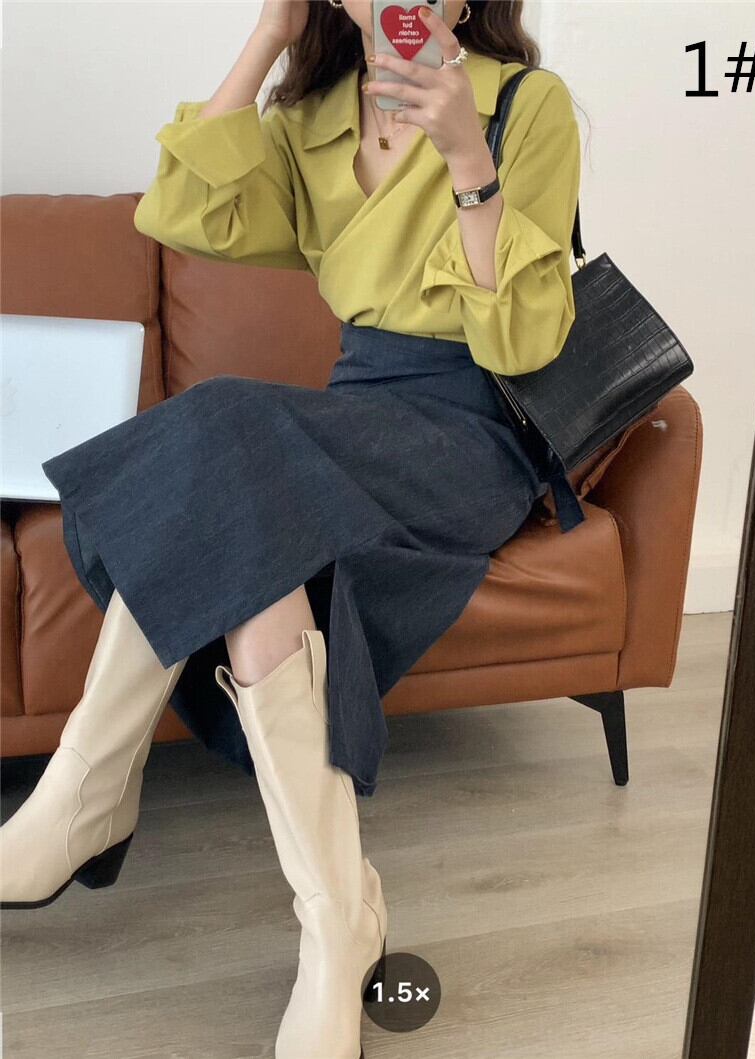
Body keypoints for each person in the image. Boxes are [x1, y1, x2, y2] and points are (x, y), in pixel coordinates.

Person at [0, 1, 581, 1056]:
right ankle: (336, 922)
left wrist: (467, 158)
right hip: (352, 417)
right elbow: (184, 211)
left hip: (468, 433)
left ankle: (86, 788)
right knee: (247, 526)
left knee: (224, 426)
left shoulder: (524, 107)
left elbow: (523, 341)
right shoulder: (312, 119)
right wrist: (271, 30)